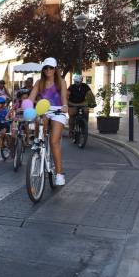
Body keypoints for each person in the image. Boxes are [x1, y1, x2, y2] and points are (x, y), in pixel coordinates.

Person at [28, 57, 68, 185]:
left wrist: (65, 106)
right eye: (46, 68)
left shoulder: (61, 82)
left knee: (54, 141)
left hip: (58, 111)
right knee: (38, 118)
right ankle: (38, 140)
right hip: (44, 109)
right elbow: (31, 98)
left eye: (51, 68)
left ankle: (59, 174)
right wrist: (24, 107)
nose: (48, 70)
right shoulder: (39, 82)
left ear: (55, 69)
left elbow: (63, 97)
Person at [67, 73, 94, 138]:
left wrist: (92, 102)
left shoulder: (85, 86)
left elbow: (90, 94)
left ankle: (85, 126)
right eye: (75, 82)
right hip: (72, 103)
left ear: (81, 81)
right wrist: (66, 102)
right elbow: (66, 94)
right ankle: (71, 131)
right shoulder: (71, 87)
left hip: (82, 103)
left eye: (78, 82)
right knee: (72, 116)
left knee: (86, 112)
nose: (77, 83)